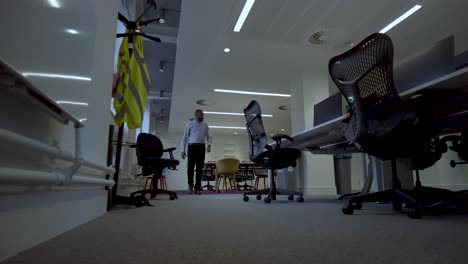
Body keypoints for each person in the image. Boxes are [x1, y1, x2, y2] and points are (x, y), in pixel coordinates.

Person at [180, 109, 212, 194]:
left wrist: (209, 145)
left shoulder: (205, 125)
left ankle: (197, 187)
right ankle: (190, 186)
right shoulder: (189, 124)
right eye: (200, 117)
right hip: (191, 147)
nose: (202, 118)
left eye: (203, 117)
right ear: (196, 116)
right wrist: (182, 150)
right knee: (190, 168)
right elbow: (185, 137)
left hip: (201, 147)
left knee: (199, 169)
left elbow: (209, 136)